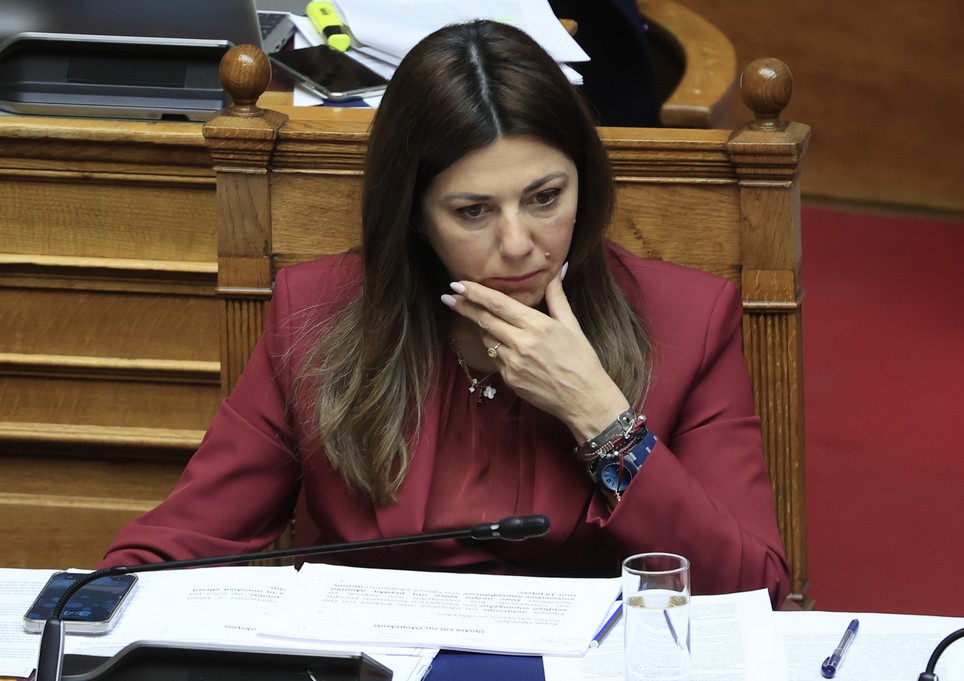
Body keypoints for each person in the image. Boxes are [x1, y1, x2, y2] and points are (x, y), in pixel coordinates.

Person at [99, 20, 791, 606]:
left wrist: (602, 418)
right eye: (473, 212)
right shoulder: (317, 311)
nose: (518, 244)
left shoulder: (688, 318)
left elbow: (755, 590)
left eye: (545, 197)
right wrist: (90, 606)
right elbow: (183, 542)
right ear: (415, 215)